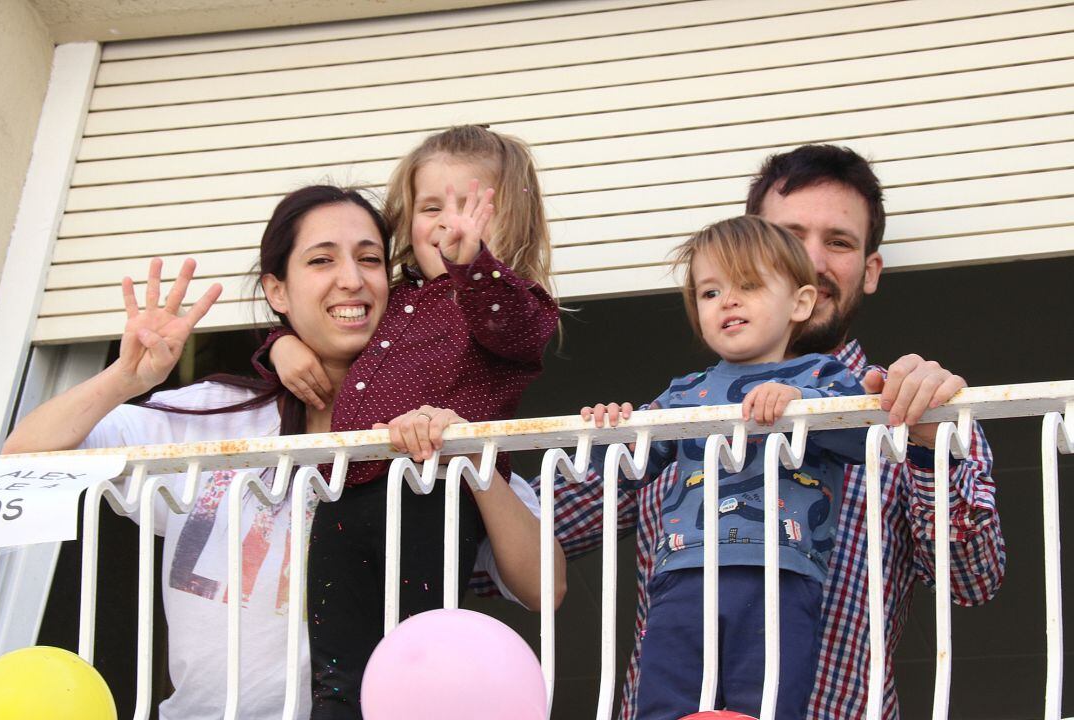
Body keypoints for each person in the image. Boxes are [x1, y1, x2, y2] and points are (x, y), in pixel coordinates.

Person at [3, 185, 565, 720]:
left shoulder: (419, 431)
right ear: (277, 291)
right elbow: (25, 454)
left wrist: (467, 454)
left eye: (370, 260)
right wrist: (125, 378)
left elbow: (545, 587)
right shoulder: (213, 414)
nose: (351, 280)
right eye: (322, 261)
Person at [537, 145, 1003, 719]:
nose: (810, 258)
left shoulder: (912, 405)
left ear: (870, 270)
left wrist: (928, 440)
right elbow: (535, 537)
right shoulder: (685, 405)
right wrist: (452, 429)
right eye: (786, 236)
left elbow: (974, 580)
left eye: (838, 242)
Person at [258, 126, 560, 718]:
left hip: (432, 498)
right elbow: (325, 318)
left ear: (511, 223)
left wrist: (473, 264)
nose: (450, 224)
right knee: (337, 667)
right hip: (343, 498)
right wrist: (279, 345)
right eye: (431, 208)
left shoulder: (515, 306)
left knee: (415, 652)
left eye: (472, 208)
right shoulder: (394, 300)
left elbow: (516, 329)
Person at [582, 216, 868, 719]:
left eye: (749, 285)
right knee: (665, 698)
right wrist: (609, 430)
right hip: (682, 570)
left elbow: (863, 437)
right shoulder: (684, 393)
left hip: (781, 573)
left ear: (800, 303)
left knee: (765, 701)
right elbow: (623, 469)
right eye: (710, 292)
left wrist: (802, 402)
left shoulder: (824, 375)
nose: (727, 301)